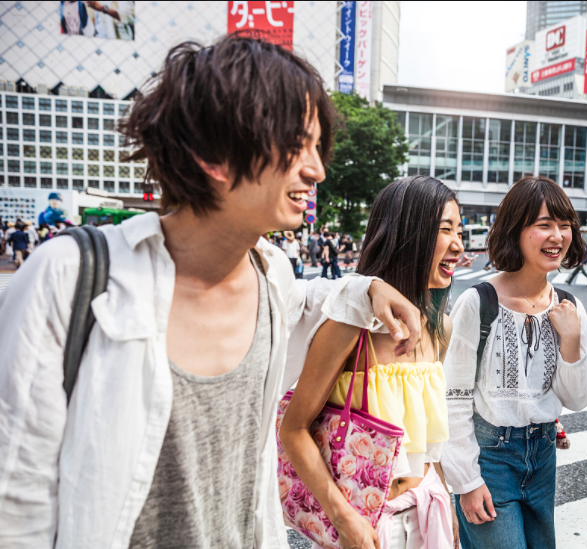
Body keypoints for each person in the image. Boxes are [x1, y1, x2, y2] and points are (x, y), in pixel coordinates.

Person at [0, 36, 424, 549]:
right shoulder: (69, 277)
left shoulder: (272, 277)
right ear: (213, 154)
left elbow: (314, 300)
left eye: (318, 147)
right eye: (296, 143)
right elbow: (14, 503)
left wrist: (371, 287)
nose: (316, 169)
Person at [279, 176, 464, 549]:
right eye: (446, 230)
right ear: (409, 235)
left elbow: (431, 440)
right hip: (363, 525)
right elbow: (293, 428)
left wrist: (448, 501)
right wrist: (343, 518)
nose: (459, 245)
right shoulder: (350, 326)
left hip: (428, 512)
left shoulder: (440, 327)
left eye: (459, 230)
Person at [442, 176, 587, 549]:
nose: (557, 236)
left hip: (543, 455)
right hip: (491, 459)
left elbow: (579, 397)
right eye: (544, 225)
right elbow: (452, 397)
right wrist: (466, 481)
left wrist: (572, 341)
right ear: (516, 229)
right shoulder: (478, 302)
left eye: (564, 226)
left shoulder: (568, 307)